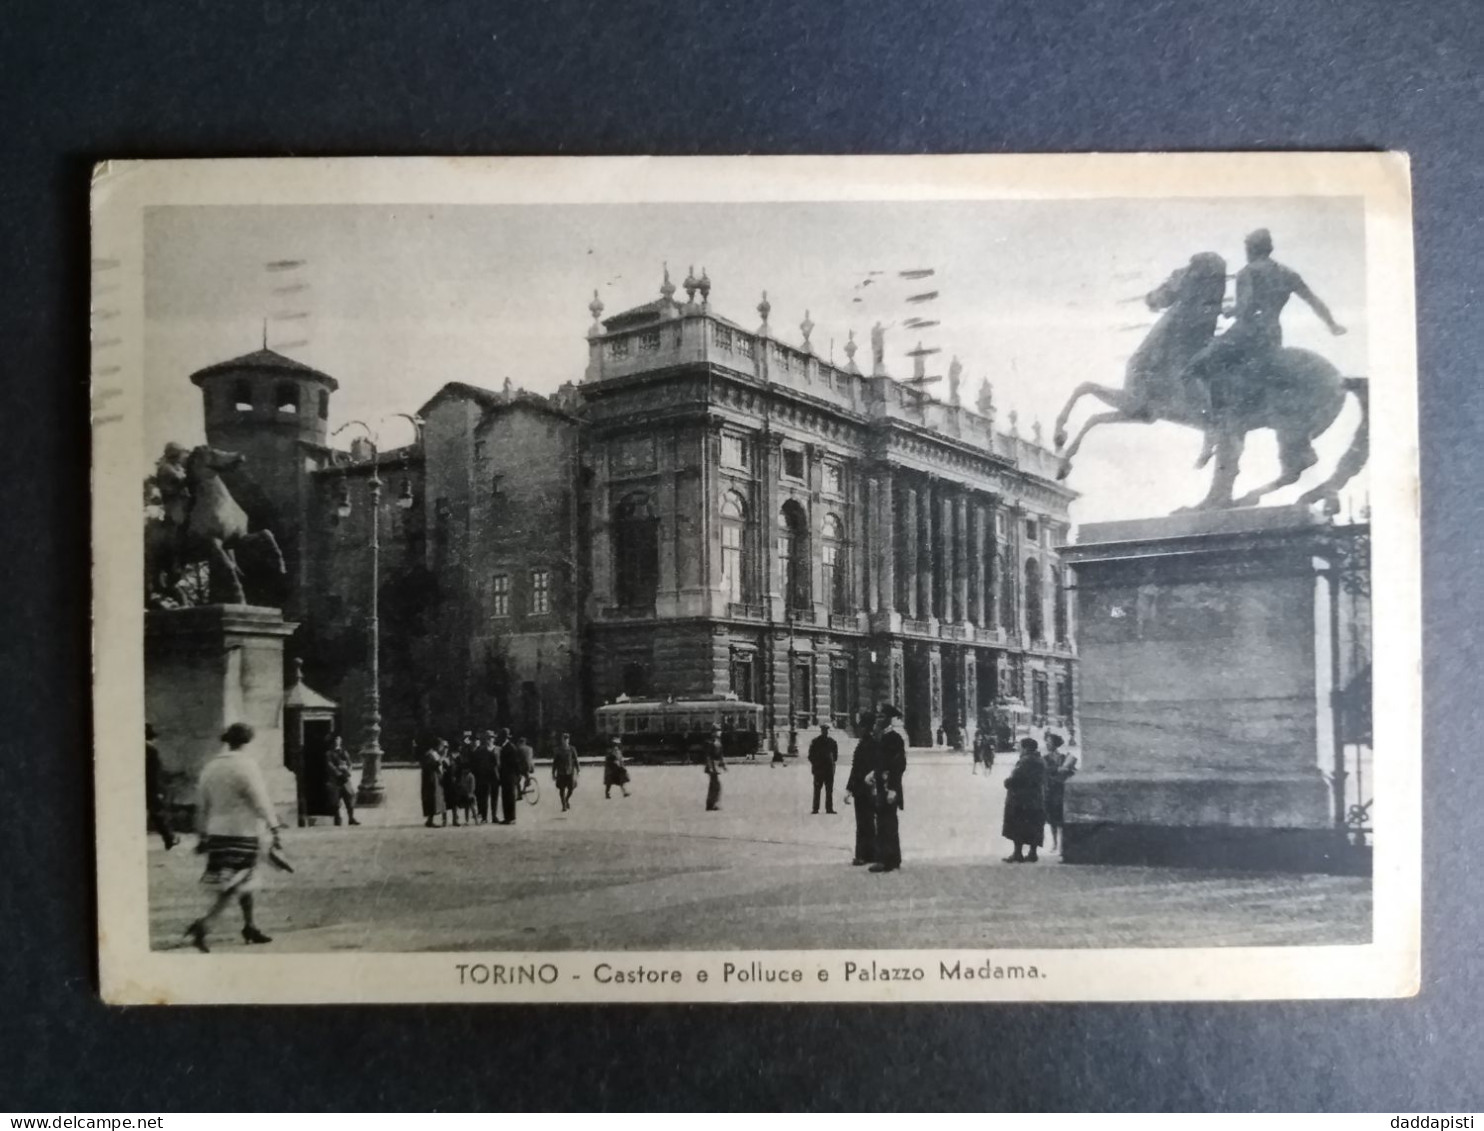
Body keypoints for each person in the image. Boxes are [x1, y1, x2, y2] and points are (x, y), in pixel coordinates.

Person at [1182, 227, 1347, 427]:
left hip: (1245, 334)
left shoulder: (1248, 272)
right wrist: (1332, 325)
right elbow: (1313, 301)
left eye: (1247, 248)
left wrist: (1227, 311)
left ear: (1251, 249)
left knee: (1193, 367)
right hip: (1273, 336)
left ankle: (1216, 423)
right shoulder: (1288, 274)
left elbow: (1246, 307)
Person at [184, 723, 285, 952]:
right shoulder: (246, 766)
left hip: (216, 832)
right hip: (243, 832)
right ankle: (204, 924)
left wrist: (201, 834)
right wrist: (274, 827)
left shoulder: (211, 767)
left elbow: (201, 804)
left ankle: (250, 925)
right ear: (248, 741)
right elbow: (260, 800)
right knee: (236, 882)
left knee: (242, 880)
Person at [869, 705, 908, 873]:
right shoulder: (883, 737)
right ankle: (892, 858)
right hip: (881, 784)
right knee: (885, 820)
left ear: (888, 719)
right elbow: (881, 761)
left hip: (888, 786)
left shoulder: (894, 738)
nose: (878, 719)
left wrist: (893, 788)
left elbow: (899, 764)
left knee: (887, 823)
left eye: (881, 716)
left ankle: (886, 860)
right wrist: (873, 773)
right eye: (877, 716)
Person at [1002, 737, 1048, 863]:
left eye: (1019, 746)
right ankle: (1033, 853)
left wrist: (1007, 782)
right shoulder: (1040, 760)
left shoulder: (1025, 761)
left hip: (1021, 799)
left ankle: (1018, 853)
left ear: (1025, 748)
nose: (1018, 749)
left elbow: (1017, 779)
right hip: (1036, 798)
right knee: (1034, 826)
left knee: (1018, 825)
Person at [844, 709, 879, 866]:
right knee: (867, 821)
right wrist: (849, 789)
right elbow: (855, 768)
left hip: (867, 788)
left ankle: (863, 855)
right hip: (862, 788)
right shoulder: (865, 742)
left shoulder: (871, 743)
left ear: (867, 727)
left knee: (865, 822)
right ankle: (870, 854)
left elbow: (863, 767)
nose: (860, 729)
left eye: (862, 726)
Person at [1043, 733, 1078, 852]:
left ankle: (1062, 844)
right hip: (1050, 791)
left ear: (1055, 744)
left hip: (1062, 790)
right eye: (1046, 742)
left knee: (1062, 819)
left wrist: (1067, 769)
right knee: (1052, 819)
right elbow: (1044, 771)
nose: (1047, 744)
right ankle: (1055, 842)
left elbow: (1073, 771)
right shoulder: (1045, 759)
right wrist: (1057, 769)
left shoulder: (1064, 757)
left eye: (1049, 742)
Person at [145, 724, 177, 850]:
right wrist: (158, 790)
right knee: (158, 813)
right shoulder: (151, 750)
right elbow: (154, 772)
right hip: (150, 787)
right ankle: (169, 837)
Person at [325, 735, 360, 826]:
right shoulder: (329, 753)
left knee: (350, 798)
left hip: (345, 780)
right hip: (335, 781)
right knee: (335, 802)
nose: (337, 741)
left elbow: (350, 763)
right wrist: (338, 773)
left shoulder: (344, 752)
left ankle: (351, 818)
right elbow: (330, 765)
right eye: (335, 739)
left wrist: (348, 772)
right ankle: (337, 819)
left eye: (339, 739)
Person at [807, 723, 838, 814]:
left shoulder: (831, 742)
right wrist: (816, 764)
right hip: (821, 769)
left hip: (825, 769)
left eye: (827, 730)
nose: (825, 732)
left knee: (827, 790)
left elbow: (835, 757)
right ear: (822, 731)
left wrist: (817, 763)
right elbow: (810, 756)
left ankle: (826, 808)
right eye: (824, 730)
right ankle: (818, 808)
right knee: (819, 789)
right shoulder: (817, 741)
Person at [496, 727, 524, 824]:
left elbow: (516, 763)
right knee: (505, 796)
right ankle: (507, 817)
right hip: (505, 776)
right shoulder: (505, 747)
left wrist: (517, 775)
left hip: (510, 776)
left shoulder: (510, 747)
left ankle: (511, 818)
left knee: (510, 797)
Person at [471, 730, 499, 824]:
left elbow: (501, 764)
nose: (490, 740)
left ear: (494, 739)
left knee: (494, 797)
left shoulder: (498, 750)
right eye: (488, 738)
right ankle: (484, 817)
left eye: (491, 738)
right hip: (484, 777)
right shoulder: (480, 751)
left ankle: (494, 816)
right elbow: (475, 764)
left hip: (495, 777)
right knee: (484, 797)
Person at [419, 738, 448, 828]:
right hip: (431, 780)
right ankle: (430, 821)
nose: (442, 748)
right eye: (442, 746)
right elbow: (433, 765)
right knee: (432, 799)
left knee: (436, 799)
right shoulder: (430, 755)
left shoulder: (434, 754)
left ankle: (431, 820)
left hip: (434, 779)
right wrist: (442, 757)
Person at [551, 732, 580, 811]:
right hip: (561, 772)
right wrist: (553, 773)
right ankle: (563, 805)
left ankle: (566, 799)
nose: (566, 741)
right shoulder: (558, 750)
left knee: (571, 788)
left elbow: (576, 760)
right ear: (562, 740)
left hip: (570, 772)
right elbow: (555, 762)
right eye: (564, 739)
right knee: (562, 789)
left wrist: (578, 770)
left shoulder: (572, 749)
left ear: (568, 740)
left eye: (567, 739)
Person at [703, 725, 727, 811]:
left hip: (716, 766)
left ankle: (712, 804)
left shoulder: (718, 742)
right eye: (717, 730)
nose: (719, 732)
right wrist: (710, 767)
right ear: (713, 732)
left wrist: (723, 765)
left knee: (715, 785)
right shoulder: (710, 742)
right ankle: (712, 804)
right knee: (715, 785)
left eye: (719, 730)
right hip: (712, 766)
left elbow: (720, 755)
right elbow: (708, 756)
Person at [516, 734, 537, 800]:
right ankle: (527, 782)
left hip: (522, 767)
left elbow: (517, 759)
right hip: (530, 767)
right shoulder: (530, 748)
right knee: (526, 774)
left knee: (517, 780)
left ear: (520, 742)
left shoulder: (519, 749)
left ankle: (520, 795)